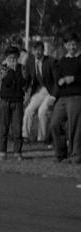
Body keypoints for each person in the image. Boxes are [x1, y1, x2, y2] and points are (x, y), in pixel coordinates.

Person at [50, 33, 81, 163]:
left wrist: (73, 78)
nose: (72, 47)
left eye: (74, 44)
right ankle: (60, 154)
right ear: (65, 45)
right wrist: (59, 81)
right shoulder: (62, 60)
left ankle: (75, 156)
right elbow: (57, 77)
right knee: (54, 124)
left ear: (78, 44)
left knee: (75, 127)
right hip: (62, 97)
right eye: (69, 44)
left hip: (76, 96)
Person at [0, 46, 27, 160]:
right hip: (5, 100)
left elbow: (23, 82)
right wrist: (9, 71)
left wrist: (16, 71)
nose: (12, 60)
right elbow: (5, 81)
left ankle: (17, 151)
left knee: (17, 128)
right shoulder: (3, 68)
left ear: (18, 57)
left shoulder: (22, 68)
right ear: (6, 58)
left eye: (14, 57)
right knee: (4, 127)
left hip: (18, 100)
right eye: (10, 58)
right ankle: (2, 151)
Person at [22, 40, 57, 144]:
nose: (37, 52)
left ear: (43, 51)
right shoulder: (30, 61)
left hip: (50, 91)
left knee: (42, 112)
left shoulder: (51, 61)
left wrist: (54, 96)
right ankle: (25, 136)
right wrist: (24, 92)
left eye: (40, 50)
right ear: (32, 51)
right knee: (28, 110)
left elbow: (56, 81)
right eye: (35, 50)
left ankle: (41, 138)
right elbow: (28, 79)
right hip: (39, 90)